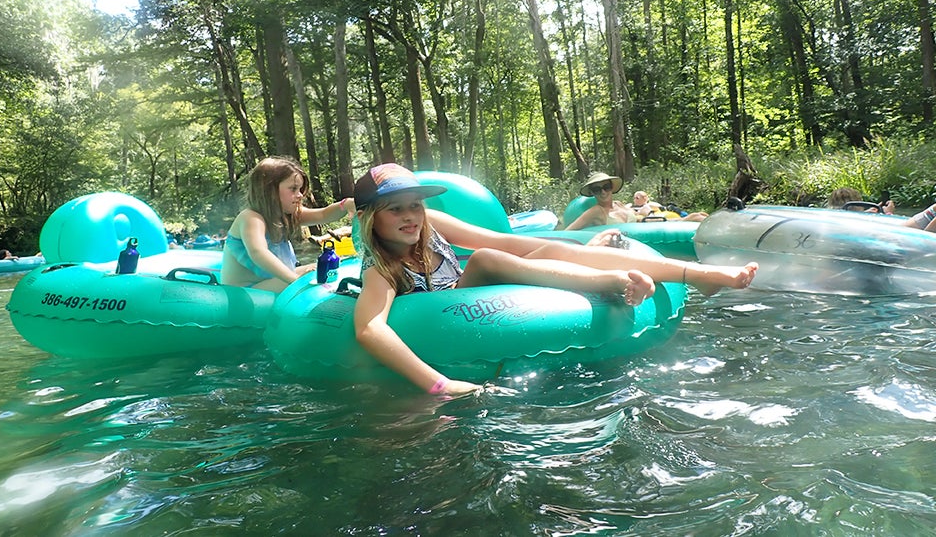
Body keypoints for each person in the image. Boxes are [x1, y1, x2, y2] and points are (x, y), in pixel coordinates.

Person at [352, 163, 759, 395]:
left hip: (475, 287)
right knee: (488, 259)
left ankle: (700, 275)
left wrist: (578, 242)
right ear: (371, 218)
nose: (411, 217)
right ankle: (613, 281)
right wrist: (441, 386)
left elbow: (505, 238)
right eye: (395, 210)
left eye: (415, 206)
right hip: (454, 309)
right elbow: (370, 329)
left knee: (544, 251)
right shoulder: (381, 269)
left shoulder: (431, 224)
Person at [221, 156, 356, 292]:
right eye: (293, 189)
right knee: (310, 282)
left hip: (270, 283)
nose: (300, 195)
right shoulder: (251, 218)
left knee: (318, 269)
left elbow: (323, 215)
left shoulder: (286, 215)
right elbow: (258, 252)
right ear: (269, 190)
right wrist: (295, 281)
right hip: (245, 291)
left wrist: (345, 204)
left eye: (300, 189)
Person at [564, 172, 636, 230]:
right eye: (597, 190)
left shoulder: (618, 204)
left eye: (606, 187)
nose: (603, 192)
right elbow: (568, 231)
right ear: (591, 192)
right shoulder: (596, 211)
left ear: (612, 187)